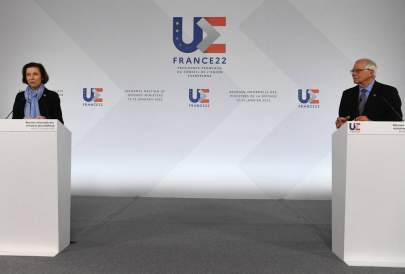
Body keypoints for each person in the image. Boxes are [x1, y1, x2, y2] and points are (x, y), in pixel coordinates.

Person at [335, 58, 402, 128]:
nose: (353, 74)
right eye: (353, 71)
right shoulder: (347, 94)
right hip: (354, 138)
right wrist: (343, 124)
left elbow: (397, 120)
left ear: (371, 73)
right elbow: (344, 119)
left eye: (358, 71)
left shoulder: (388, 92)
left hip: (379, 138)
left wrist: (371, 124)